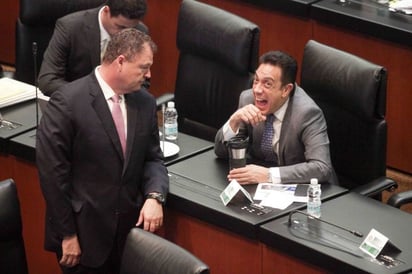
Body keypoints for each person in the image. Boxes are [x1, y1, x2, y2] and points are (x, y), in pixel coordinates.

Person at [36, 28, 168, 274]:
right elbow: (53, 177)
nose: (149, 74)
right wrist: (67, 234)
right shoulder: (67, 102)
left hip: (129, 236)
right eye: (143, 67)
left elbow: (153, 158)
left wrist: (154, 196)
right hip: (83, 239)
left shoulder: (145, 102)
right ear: (120, 62)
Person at [215, 50, 337, 185]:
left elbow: (322, 167)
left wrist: (269, 175)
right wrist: (234, 122)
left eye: (267, 84)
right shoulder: (248, 99)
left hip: (307, 189)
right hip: (263, 187)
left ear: (286, 90)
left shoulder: (307, 114)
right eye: (256, 81)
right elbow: (221, 152)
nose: (257, 90)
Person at [38, 0, 148, 96]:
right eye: (120, 27)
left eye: (130, 28)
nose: (124, 34)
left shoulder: (139, 32)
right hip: (77, 104)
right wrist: (97, 96)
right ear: (106, 11)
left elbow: (143, 82)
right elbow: (48, 81)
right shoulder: (70, 28)